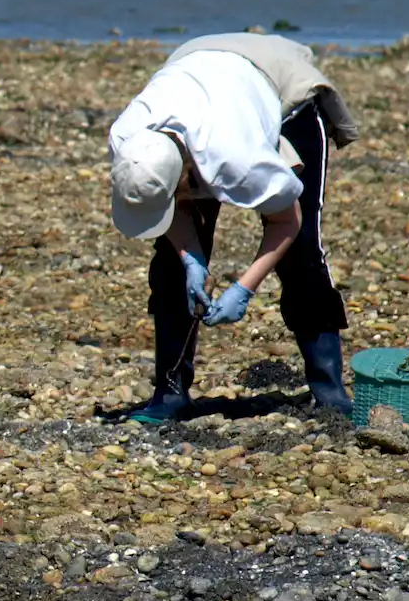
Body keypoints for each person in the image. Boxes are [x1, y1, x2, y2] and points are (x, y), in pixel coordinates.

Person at [107, 32, 360, 423]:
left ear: (188, 174)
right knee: (170, 263)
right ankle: (170, 394)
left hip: (280, 87)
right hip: (199, 67)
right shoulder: (129, 142)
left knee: (302, 253)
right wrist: (191, 258)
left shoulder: (235, 159)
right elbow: (166, 207)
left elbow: (287, 220)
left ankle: (330, 391)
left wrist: (244, 288)